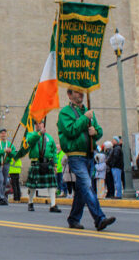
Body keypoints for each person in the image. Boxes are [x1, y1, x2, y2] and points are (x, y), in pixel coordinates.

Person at [57, 88, 115, 231]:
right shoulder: (65, 113)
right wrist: (85, 118)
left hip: (88, 154)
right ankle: (99, 218)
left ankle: (74, 218)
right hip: (75, 155)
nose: (80, 94)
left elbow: (98, 130)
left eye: (81, 92)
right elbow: (70, 131)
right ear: (69, 95)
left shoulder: (88, 112)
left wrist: (96, 132)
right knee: (87, 185)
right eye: (76, 92)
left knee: (82, 188)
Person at [25, 121, 61, 213]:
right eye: (36, 124)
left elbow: (53, 151)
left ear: (43, 124)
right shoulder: (30, 134)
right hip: (36, 163)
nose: (38, 125)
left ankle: (53, 205)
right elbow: (30, 142)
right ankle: (30, 202)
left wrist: (55, 164)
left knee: (52, 185)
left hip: (47, 163)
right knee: (33, 186)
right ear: (34, 126)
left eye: (40, 123)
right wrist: (39, 133)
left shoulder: (49, 137)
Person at [0, 128, 16, 205]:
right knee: (0, 179)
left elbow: (14, 154)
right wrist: (4, 151)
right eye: (2, 133)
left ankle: (3, 196)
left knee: (5, 180)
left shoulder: (9, 144)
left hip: (6, 163)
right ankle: (1, 196)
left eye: (4, 133)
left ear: (6, 134)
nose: (3, 134)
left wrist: (10, 152)